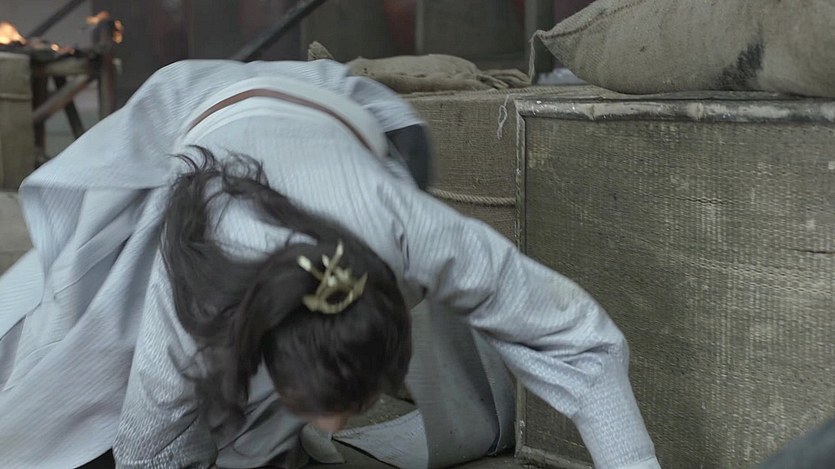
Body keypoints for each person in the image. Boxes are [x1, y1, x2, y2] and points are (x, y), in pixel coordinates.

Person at [0, 59, 661, 469]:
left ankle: (279, 427)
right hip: (200, 107)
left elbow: (579, 340)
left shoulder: (415, 229)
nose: (337, 428)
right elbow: (147, 445)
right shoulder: (201, 276)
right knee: (72, 383)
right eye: (324, 411)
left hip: (362, 118)